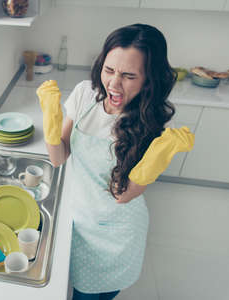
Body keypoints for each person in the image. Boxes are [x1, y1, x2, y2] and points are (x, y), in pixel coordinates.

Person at [36, 24, 194, 300]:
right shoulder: (85, 94)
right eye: (109, 70)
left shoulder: (150, 121)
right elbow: (59, 157)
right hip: (80, 217)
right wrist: (51, 121)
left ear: (149, 80)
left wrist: (156, 157)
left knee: (99, 294)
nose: (113, 84)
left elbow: (124, 195)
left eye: (129, 75)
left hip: (119, 229)